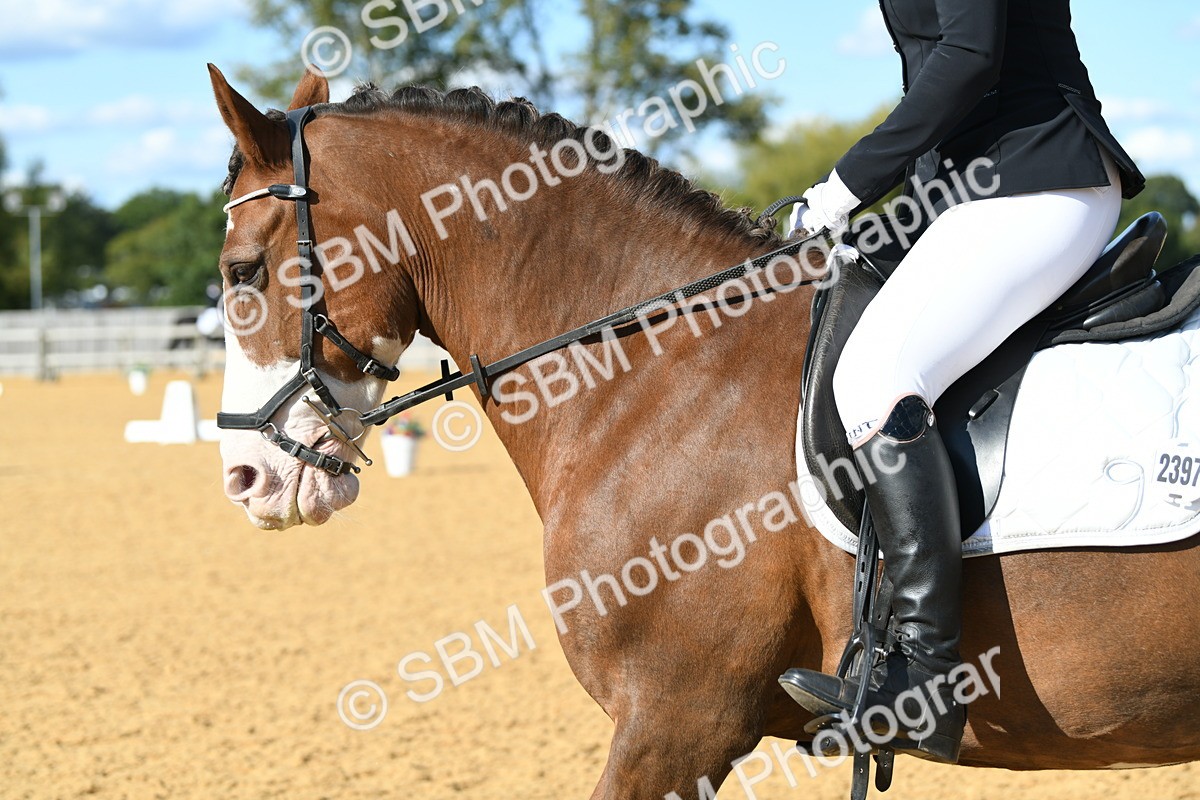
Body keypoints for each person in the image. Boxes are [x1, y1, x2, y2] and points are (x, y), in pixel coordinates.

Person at [777, 0, 1144, 763]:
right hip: (972, 192)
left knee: (878, 376)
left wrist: (846, 187)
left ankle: (922, 675)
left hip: (1041, 176)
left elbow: (970, 55)